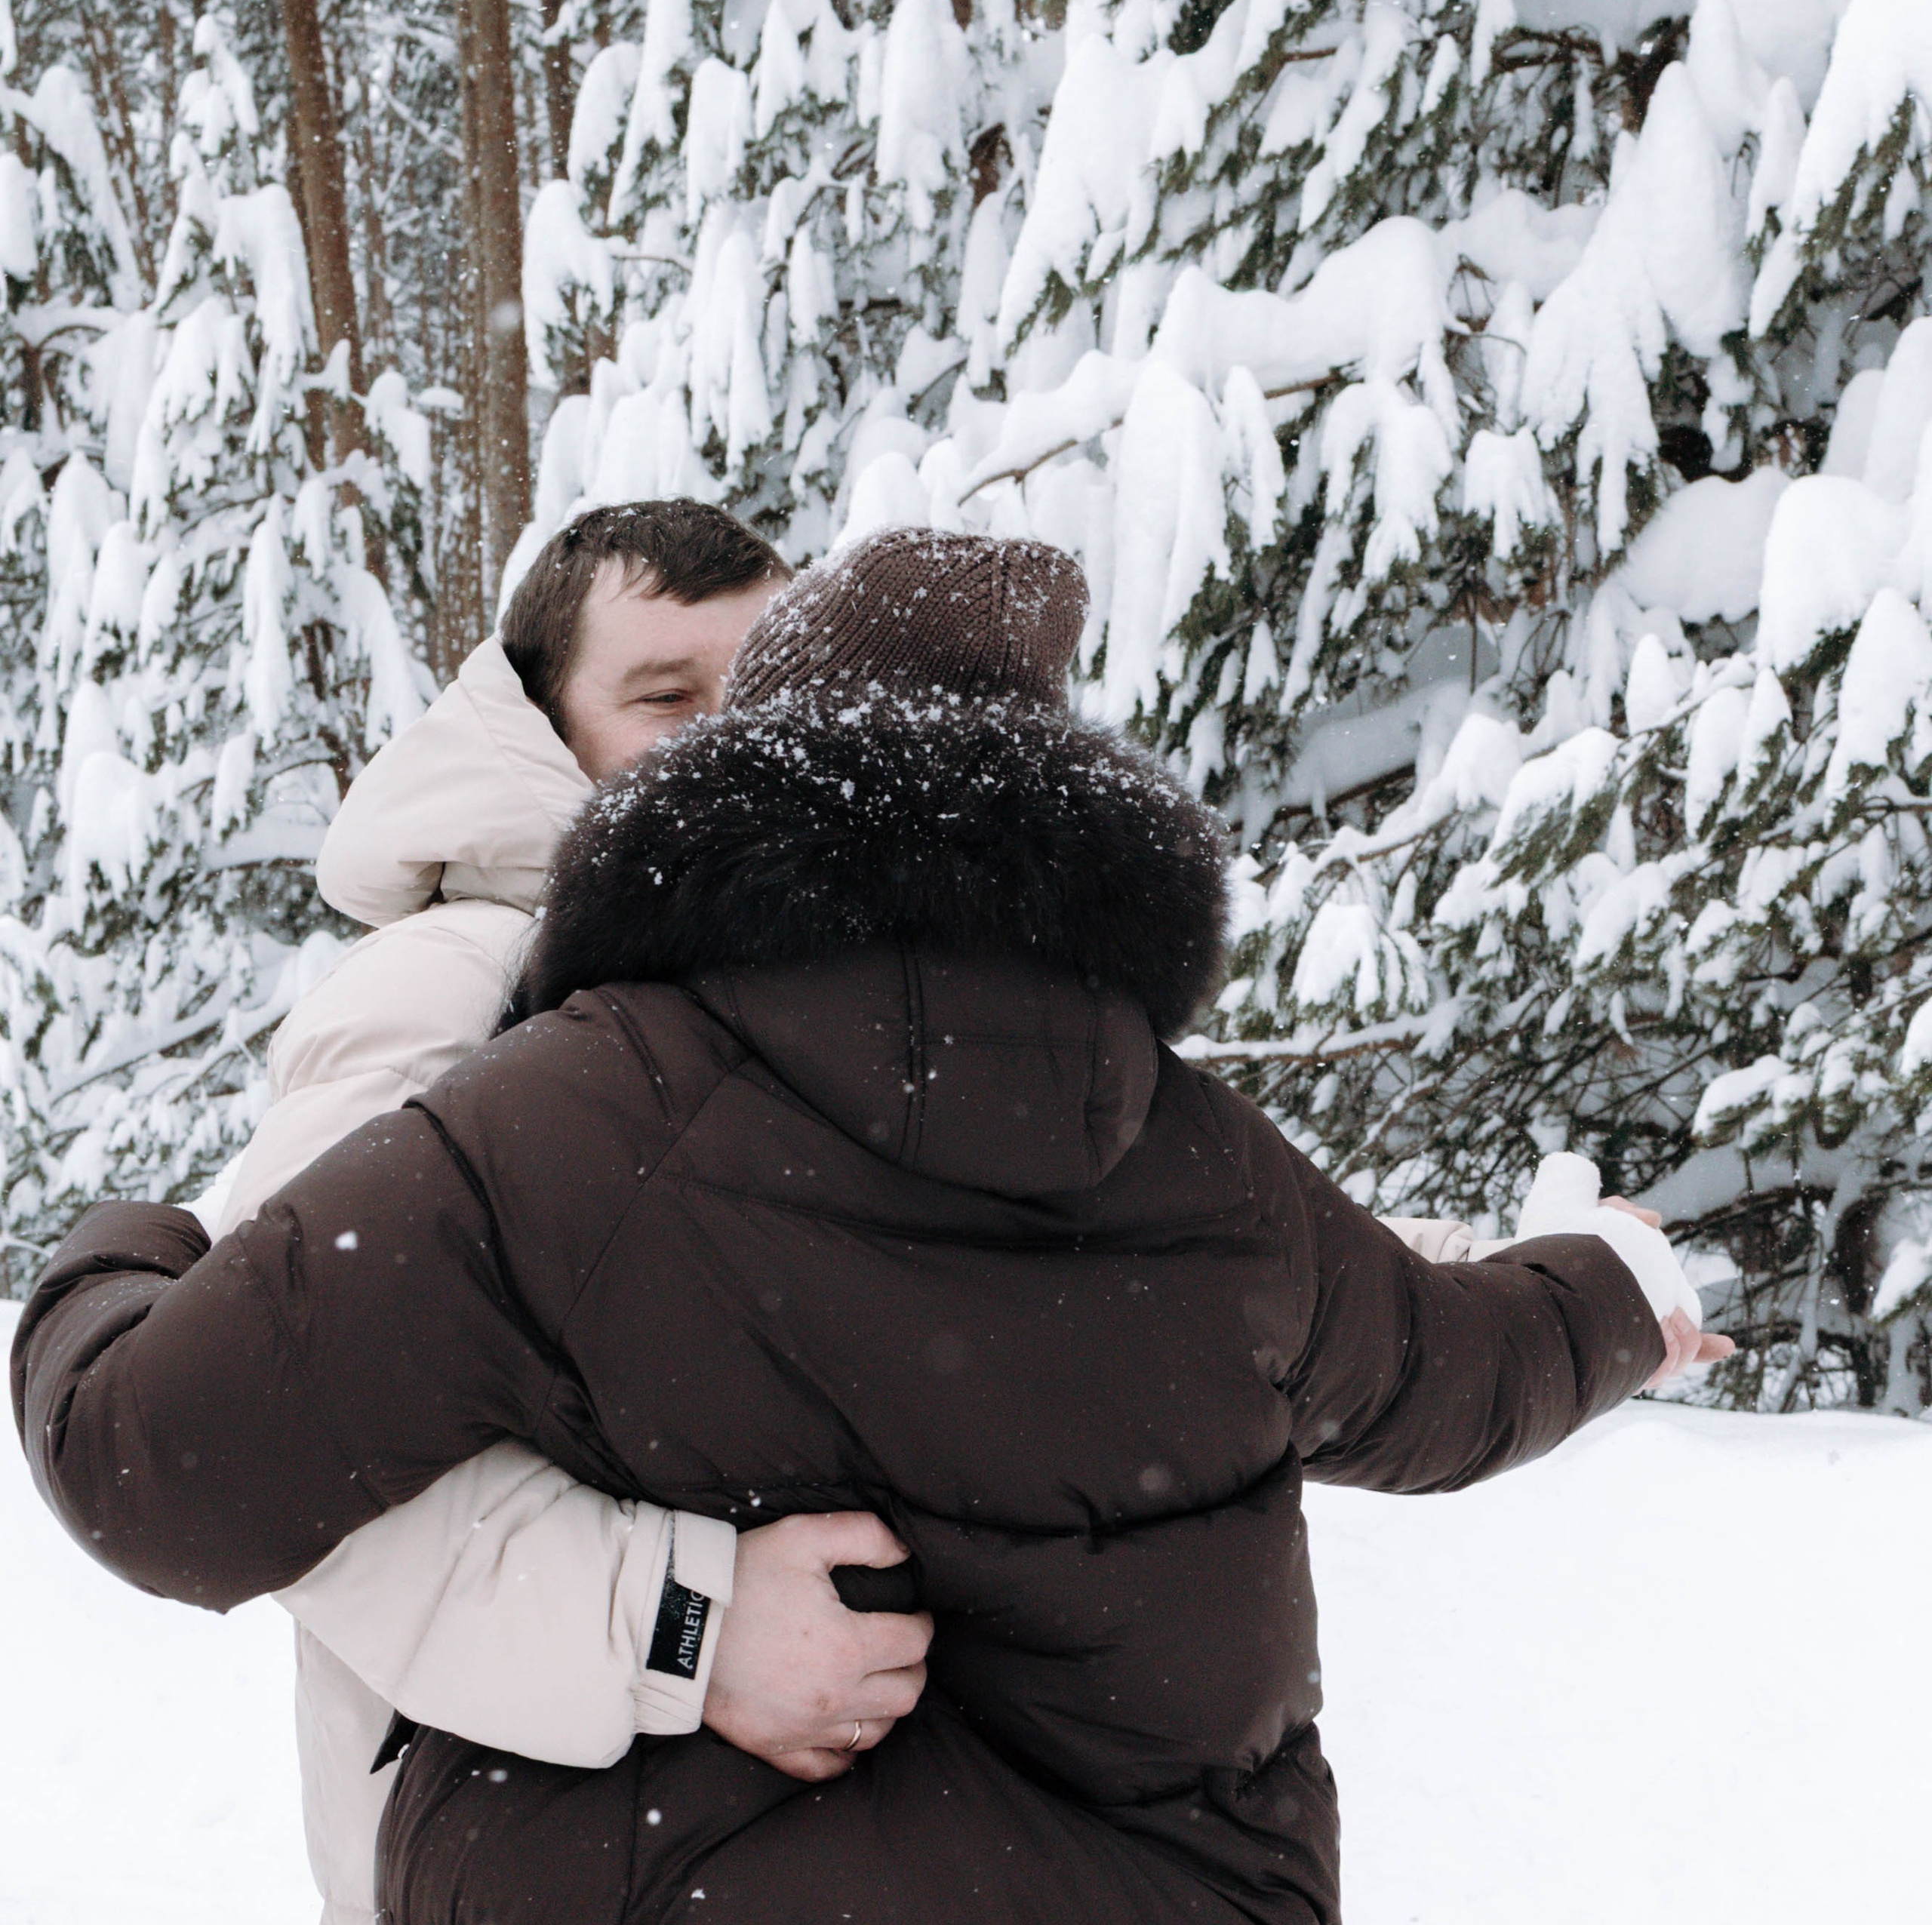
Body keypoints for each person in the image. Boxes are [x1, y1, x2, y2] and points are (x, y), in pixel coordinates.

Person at [15, 529, 1726, 1923]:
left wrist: (121, 1248)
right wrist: (1616, 1289)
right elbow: (1447, 1365)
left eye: (728, 697)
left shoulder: (585, 1097)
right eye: (658, 692)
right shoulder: (1195, 1150)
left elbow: (162, 1451)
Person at [206, 501, 932, 1925]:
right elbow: (264, 1438)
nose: (734, 740)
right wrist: (688, 1626)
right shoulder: (445, 987)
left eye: (768, 692)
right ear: (544, 728)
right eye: (667, 699)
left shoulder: (801, 993)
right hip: (521, 1834)